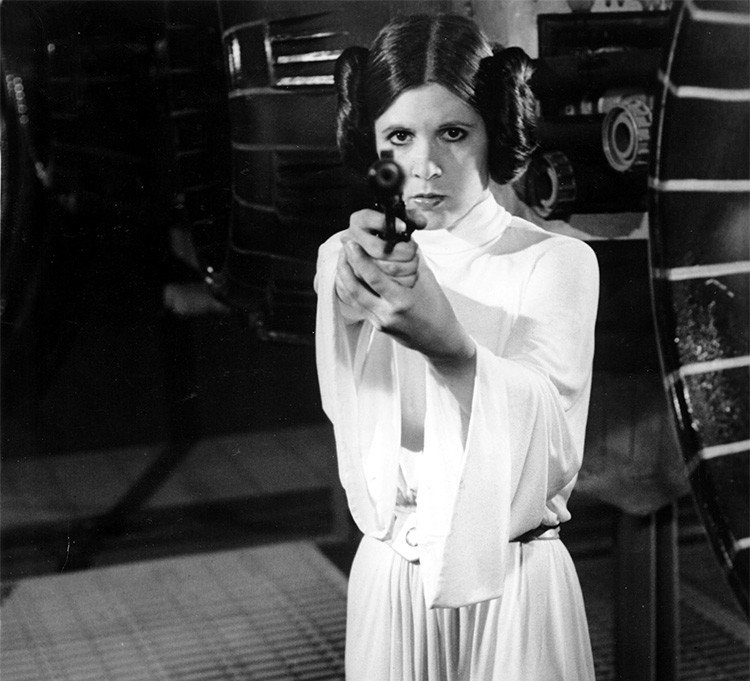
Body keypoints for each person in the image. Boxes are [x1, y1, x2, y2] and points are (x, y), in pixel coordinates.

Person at [314, 13, 599, 681]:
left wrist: (453, 352)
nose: (425, 166)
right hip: (392, 577)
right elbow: (353, 413)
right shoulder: (348, 257)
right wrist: (344, 308)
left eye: (452, 133)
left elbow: (550, 446)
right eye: (399, 136)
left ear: (492, 132)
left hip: (514, 580)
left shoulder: (555, 261)